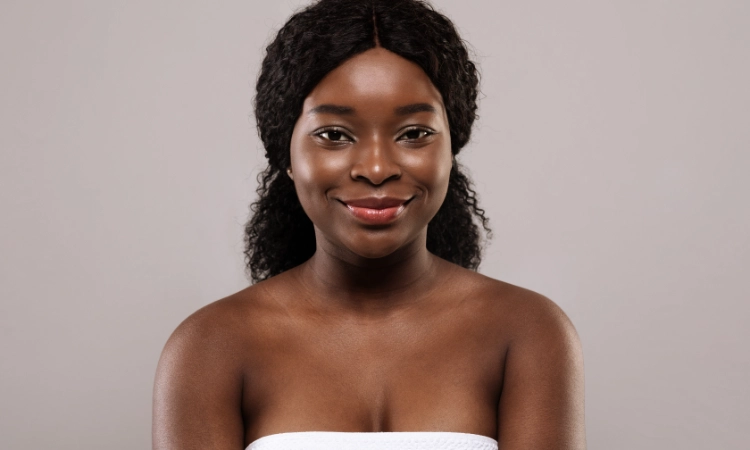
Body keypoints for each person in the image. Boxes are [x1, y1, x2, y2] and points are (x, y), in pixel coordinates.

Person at [152, 0, 586, 449]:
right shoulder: (211, 346)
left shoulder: (527, 332)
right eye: (334, 135)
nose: (376, 168)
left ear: (452, 149)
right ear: (286, 154)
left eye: (414, 133)